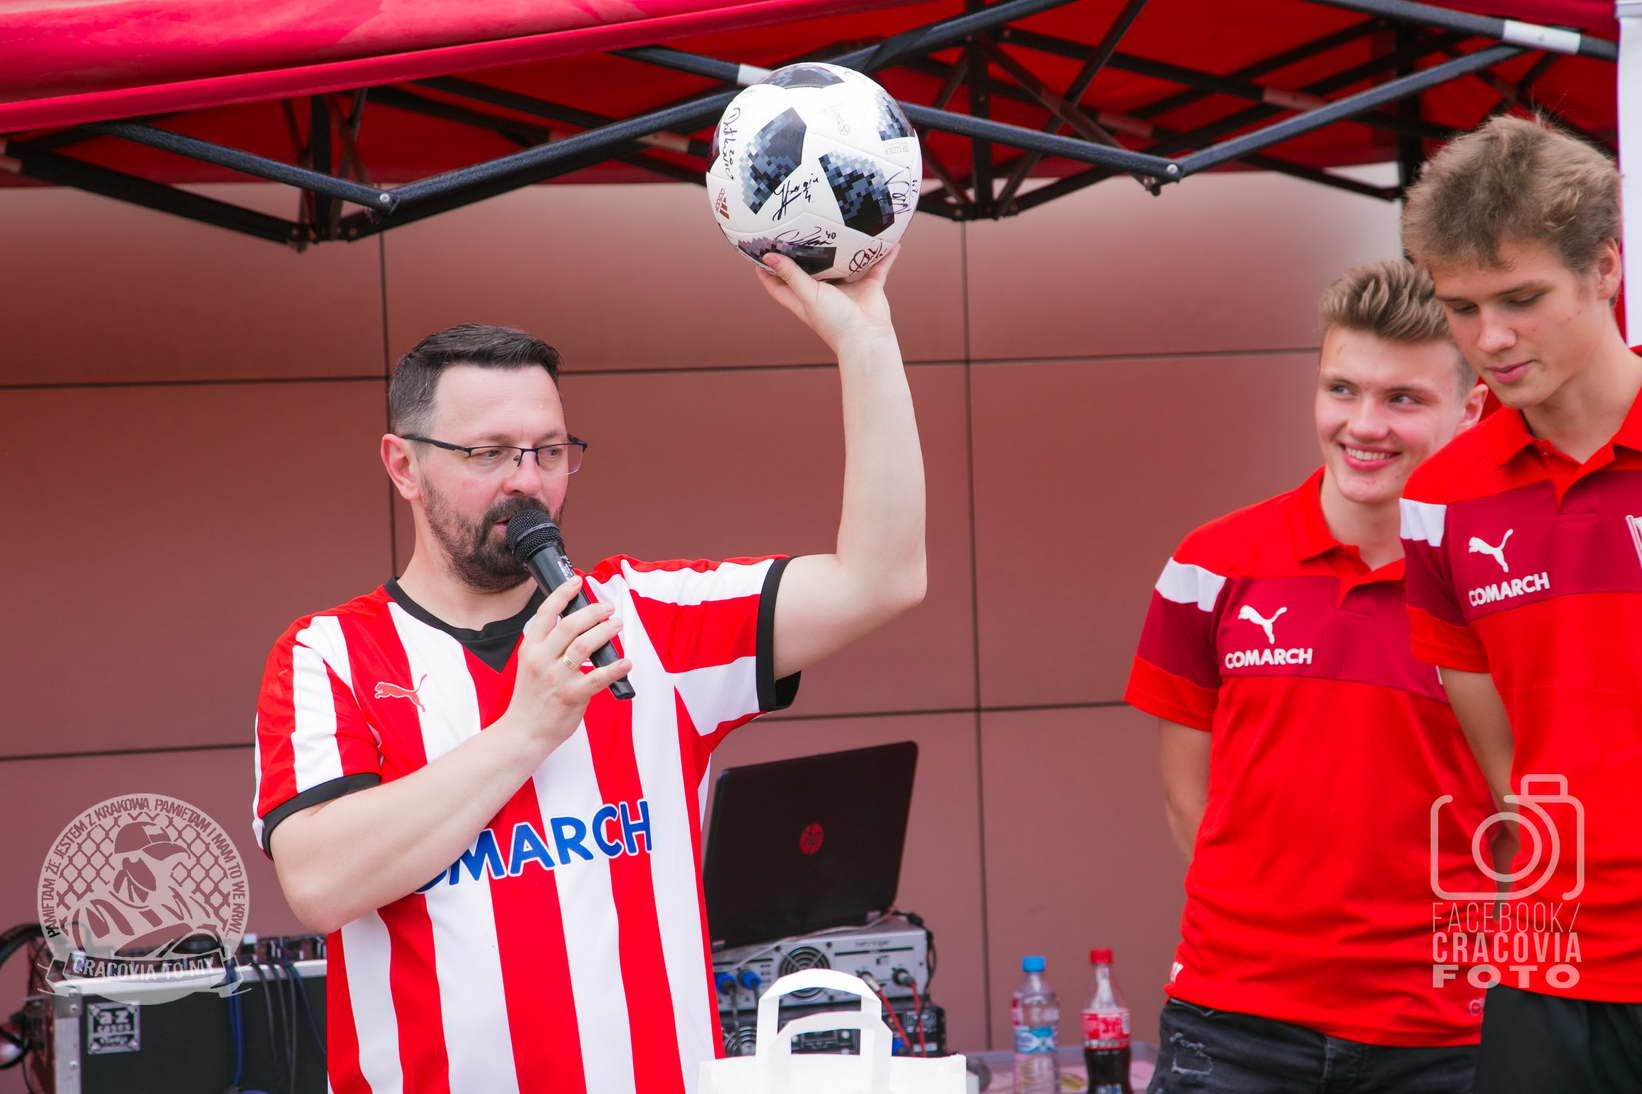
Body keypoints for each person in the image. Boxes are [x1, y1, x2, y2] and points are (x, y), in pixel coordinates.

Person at [250, 248, 925, 1094]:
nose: (527, 483)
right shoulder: (329, 655)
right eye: (489, 454)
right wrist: (525, 732)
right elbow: (319, 884)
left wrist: (867, 341)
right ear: (404, 465)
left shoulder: (647, 618)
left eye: (549, 451)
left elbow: (882, 579)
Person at [1125, 259, 1492, 1092]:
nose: (1364, 425)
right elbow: (1189, 800)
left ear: (1470, 409)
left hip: (1446, 1035)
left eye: (1404, 399)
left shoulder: (1503, 586)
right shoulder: (1209, 566)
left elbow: (1530, 810)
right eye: (1341, 389)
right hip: (1234, 1027)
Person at [1397, 114, 1640, 1092]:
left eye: (1521, 299)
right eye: (1460, 307)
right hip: (1549, 967)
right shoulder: (1438, 502)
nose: (1488, 339)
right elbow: (1506, 766)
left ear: (1606, 268)